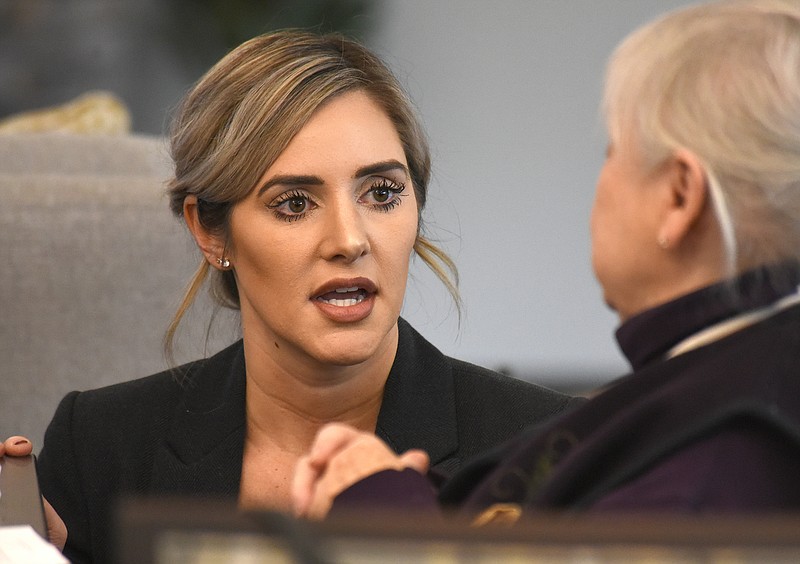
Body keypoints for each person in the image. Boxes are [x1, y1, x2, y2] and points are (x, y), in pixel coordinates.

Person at [2, 30, 579, 562]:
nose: (350, 240)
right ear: (209, 230)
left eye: (382, 193)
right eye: (295, 204)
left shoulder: (551, 450)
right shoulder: (101, 445)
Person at [291, 0, 800, 523]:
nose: (348, 241)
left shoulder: (732, 445)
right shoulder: (725, 375)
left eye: (613, 153)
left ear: (679, 196)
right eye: (294, 203)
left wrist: (382, 510)